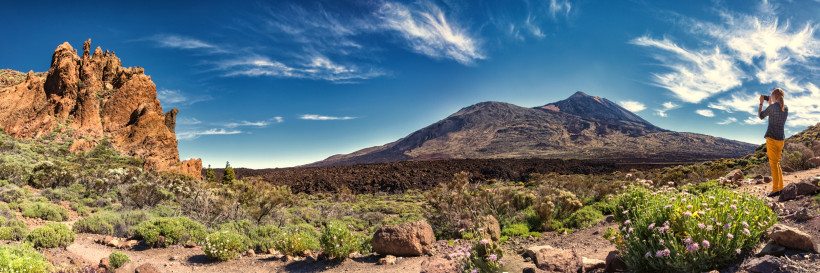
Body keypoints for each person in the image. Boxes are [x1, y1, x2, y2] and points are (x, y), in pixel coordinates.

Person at [758, 88, 788, 197]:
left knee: (773, 164)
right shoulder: (785, 108)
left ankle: (775, 190)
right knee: (777, 163)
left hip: (771, 138)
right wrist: (770, 102)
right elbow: (774, 111)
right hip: (781, 139)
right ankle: (780, 187)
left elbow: (761, 116)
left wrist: (761, 103)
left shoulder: (772, 107)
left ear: (774, 96)